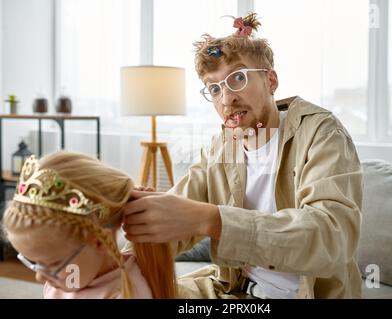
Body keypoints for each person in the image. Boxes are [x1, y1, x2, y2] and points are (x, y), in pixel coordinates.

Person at [123, 13, 363, 299]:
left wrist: (213, 220)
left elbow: (331, 238)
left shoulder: (321, 133)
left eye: (237, 78)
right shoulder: (223, 147)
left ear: (271, 81)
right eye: (214, 88)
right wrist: (118, 252)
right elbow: (176, 213)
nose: (226, 99)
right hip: (232, 289)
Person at [2, 151, 176, 299]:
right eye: (33, 262)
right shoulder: (65, 280)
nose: (40, 277)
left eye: (53, 264)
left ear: (100, 241)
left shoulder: (126, 293)